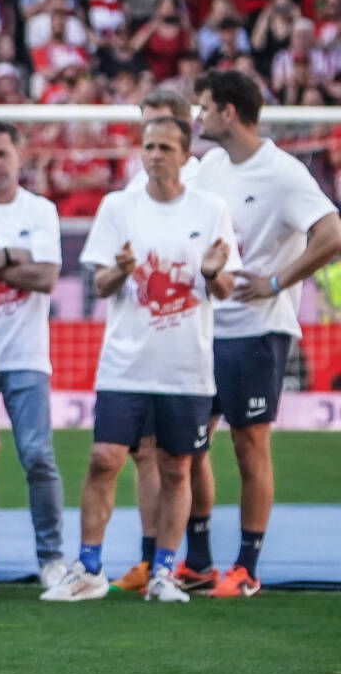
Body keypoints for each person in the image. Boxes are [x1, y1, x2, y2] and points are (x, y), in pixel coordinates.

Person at [42, 116, 239, 603]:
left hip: (185, 367)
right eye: (148, 146)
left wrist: (214, 273)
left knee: (176, 467)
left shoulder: (211, 208)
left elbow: (226, 285)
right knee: (103, 459)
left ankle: (164, 572)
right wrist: (120, 270)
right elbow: (102, 284)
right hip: (125, 363)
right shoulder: (118, 206)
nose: (154, 155)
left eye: (165, 147)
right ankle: (89, 568)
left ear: (184, 153)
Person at [181, 69, 341, 597]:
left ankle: (247, 566)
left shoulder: (284, 173)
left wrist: (276, 281)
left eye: (203, 107)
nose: (198, 116)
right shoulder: (207, 169)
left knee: (250, 446)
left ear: (228, 112)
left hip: (256, 330)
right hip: (205, 327)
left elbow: (332, 234)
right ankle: (198, 560)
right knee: (189, 447)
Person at [113, 87, 201, 594]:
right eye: (147, 132)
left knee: (186, 459)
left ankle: (197, 558)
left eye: (165, 131)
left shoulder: (206, 188)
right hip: (142, 346)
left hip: (194, 344)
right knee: (143, 453)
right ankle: (154, 560)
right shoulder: (128, 193)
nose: (154, 147)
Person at [0, 120, 67, 589]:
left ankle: (52, 557)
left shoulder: (41, 210)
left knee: (37, 456)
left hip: (26, 355)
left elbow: (47, 279)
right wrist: (17, 257)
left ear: (20, 156)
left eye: (0, 154)